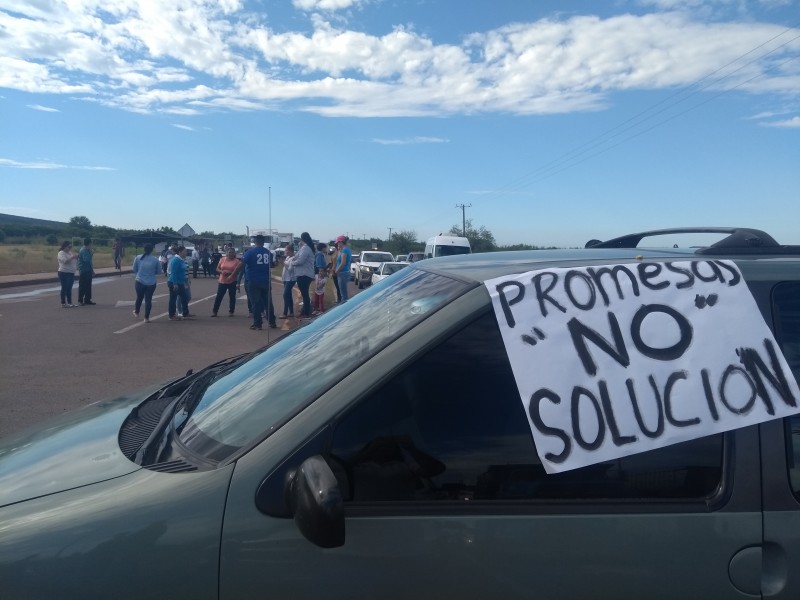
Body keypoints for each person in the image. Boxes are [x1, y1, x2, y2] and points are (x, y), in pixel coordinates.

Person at [242, 234, 276, 330]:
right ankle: (272, 322)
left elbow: (242, 264)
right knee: (268, 302)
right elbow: (272, 264)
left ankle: (258, 323)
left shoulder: (250, 252)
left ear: (255, 241)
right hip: (265, 280)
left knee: (256, 303)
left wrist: (233, 274)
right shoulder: (268, 252)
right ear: (263, 242)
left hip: (254, 281)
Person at [132, 243, 160, 323]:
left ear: (144, 249)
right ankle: (146, 317)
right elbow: (159, 271)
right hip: (151, 283)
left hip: (139, 281)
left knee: (139, 297)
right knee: (148, 300)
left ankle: (137, 311)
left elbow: (134, 269)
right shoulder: (155, 259)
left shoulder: (138, 258)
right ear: (152, 250)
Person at [211, 247, 242, 317]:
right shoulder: (222, 259)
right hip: (222, 281)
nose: (231, 254)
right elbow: (217, 268)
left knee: (232, 296)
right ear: (227, 253)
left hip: (232, 281)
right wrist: (222, 272)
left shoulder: (237, 261)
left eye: (232, 252)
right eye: (229, 252)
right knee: (219, 296)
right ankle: (215, 311)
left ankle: (231, 311)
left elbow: (238, 271)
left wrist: (231, 274)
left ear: (234, 254)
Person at [293, 232, 316, 319]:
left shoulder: (306, 248)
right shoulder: (305, 248)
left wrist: (292, 263)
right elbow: (297, 256)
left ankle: (306, 312)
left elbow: (300, 261)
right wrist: (299, 246)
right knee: (304, 294)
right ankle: (305, 310)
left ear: (302, 239)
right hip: (304, 274)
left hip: (304, 274)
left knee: (305, 294)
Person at [167, 246, 191, 320]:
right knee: (173, 299)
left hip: (180, 282)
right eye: (185, 251)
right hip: (174, 282)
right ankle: (172, 315)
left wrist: (186, 281)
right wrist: (175, 284)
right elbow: (173, 273)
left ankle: (185, 313)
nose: (186, 253)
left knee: (185, 298)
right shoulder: (176, 260)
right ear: (180, 252)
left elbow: (183, 272)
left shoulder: (181, 260)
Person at [56, 240, 78, 307]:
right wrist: (73, 257)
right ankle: (63, 303)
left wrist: (76, 258)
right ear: (65, 246)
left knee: (69, 288)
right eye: (69, 247)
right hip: (63, 272)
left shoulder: (69, 253)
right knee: (64, 287)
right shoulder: (61, 253)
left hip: (71, 272)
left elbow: (72, 261)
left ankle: (70, 302)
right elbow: (65, 261)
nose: (70, 248)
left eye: (71, 247)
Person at [333, 235, 352, 303]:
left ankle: (344, 308)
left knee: (343, 294)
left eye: (338, 242)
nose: (337, 244)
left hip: (342, 273)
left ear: (341, 242)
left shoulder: (344, 250)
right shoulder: (345, 250)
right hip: (344, 272)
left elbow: (343, 263)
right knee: (343, 292)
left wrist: (337, 271)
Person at [77, 237, 96, 305]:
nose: (91, 245)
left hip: (88, 270)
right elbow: (86, 260)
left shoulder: (87, 250)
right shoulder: (84, 250)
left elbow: (90, 262)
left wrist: (92, 271)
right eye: (91, 243)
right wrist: (91, 254)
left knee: (88, 286)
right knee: (82, 286)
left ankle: (87, 299)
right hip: (83, 270)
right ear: (89, 243)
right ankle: (80, 300)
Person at [280, 243, 296, 319]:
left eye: (286, 250)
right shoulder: (287, 258)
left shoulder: (293, 258)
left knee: (285, 295)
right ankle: (291, 312)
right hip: (286, 279)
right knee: (288, 295)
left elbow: (290, 269)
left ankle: (285, 312)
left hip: (291, 279)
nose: (285, 252)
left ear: (290, 250)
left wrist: (283, 263)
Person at [313, 242, 328, 315]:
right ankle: (319, 309)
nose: (327, 249)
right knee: (319, 290)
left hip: (320, 274)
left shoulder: (319, 254)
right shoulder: (320, 255)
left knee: (318, 293)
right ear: (323, 248)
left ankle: (318, 308)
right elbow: (319, 265)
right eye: (326, 247)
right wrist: (322, 273)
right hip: (320, 275)